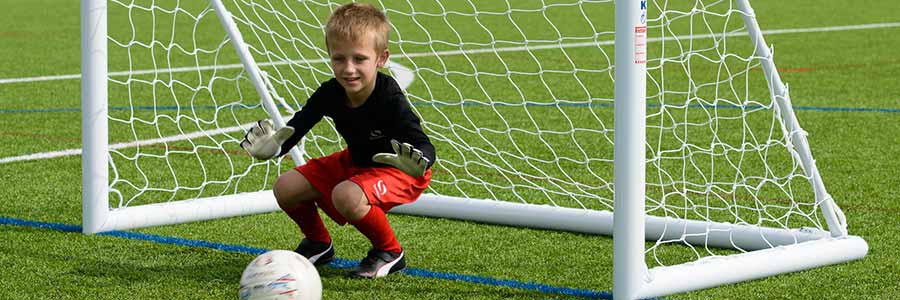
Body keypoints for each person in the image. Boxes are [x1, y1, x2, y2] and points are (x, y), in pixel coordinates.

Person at [239, 3, 435, 279]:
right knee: (286, 187)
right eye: (339, 59)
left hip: (400, 169)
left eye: (360, 59)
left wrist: (422, 161)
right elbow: (297, 126)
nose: (349, 69)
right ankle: (319, 244)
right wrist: (275, 147)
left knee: (346, 195)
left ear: (381, 58)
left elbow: (420, 140)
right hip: (355, 163)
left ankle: (390, 251)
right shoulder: (330, 92)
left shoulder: (388, 95)